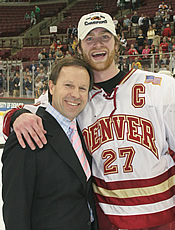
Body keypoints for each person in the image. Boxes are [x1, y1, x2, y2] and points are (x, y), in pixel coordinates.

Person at [3, 12, 175, 230]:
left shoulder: (161, 87)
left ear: (117, 43)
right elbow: (33, 113)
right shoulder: (75, 99)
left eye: (105, 37)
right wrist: (16, 116)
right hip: (105, 220)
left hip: (159, 217)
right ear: (80, 47)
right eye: (89, 38)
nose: (97, 44)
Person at [2, 57, 98, 230]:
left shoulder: (82, 129)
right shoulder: (29, 133)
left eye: (82, 88)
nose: (75, 94)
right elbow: (15, 210)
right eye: (68, 85)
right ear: (52, 87)